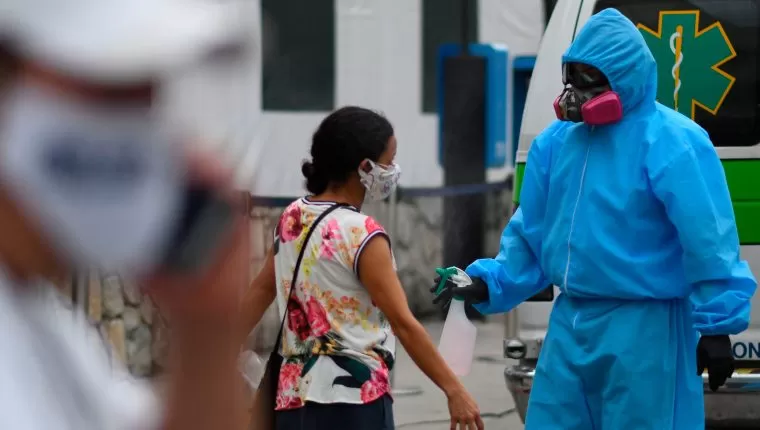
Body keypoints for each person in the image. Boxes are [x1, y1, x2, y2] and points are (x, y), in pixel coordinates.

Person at [432, 8, 756, 430]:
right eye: (572, 76)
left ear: (626, 77)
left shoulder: (674, 142)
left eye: (591, 78)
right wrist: (486, 282)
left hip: (646, 329)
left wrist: (717, 326)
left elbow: (708, 240)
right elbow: (531, 236)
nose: (576, 92)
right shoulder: (556, 143)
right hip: (571, 325)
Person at [0, 1, 256, 429]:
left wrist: (207, 330)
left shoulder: (52, 325)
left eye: (148, 90)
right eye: (106, 85)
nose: (134, 124)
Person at [242, 106, 484, 430]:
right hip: (353, 403)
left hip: (292, 398)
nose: (393, 170)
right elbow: (404, 323)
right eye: (389, 160)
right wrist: (454, 389)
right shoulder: (362, 234)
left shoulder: (292, 217)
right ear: (365, 167)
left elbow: (260, 291)